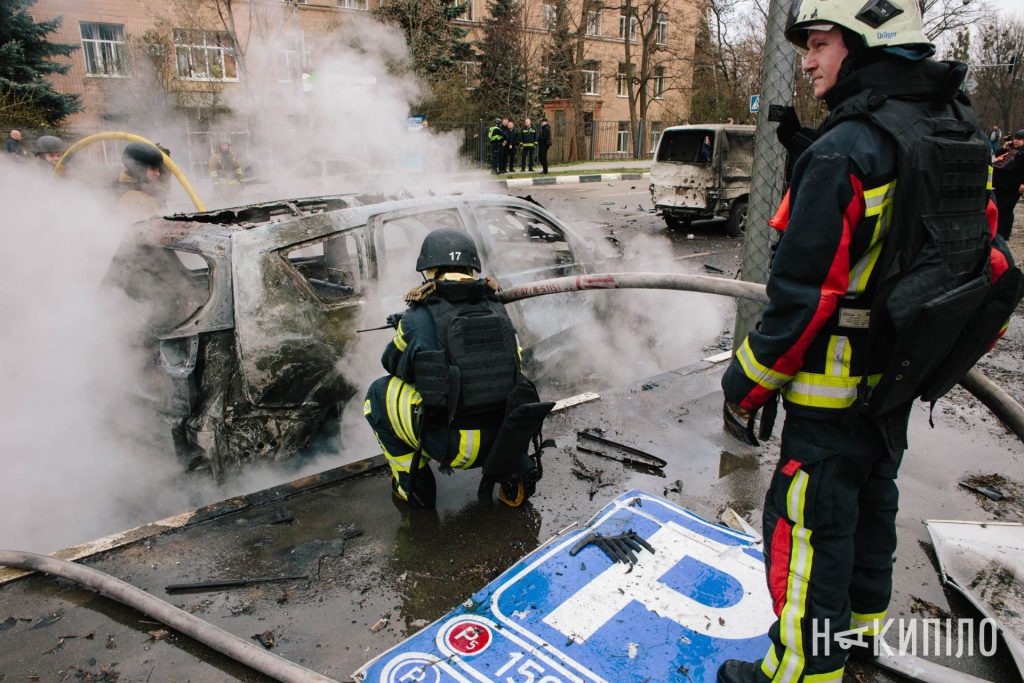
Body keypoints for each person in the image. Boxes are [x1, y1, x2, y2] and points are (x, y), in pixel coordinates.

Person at [717, 1, 1017, 682]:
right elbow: (978, 248)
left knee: (811, 529)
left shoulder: (846, 149)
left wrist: (744, 384)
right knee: (869, 514)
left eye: (819, 44)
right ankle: (854, 651)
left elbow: (802, 299)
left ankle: (798, 673)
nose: (808, 61)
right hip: (896, 385)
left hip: (830, 399)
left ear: (865, 41)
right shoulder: (958, 129)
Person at [363, 228, 552, 509]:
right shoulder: (498, 308)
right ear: (471, 267)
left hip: (453, 448)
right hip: (506, 438)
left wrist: (407, 329)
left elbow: (391, 364)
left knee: (377, 394)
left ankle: (412, 485)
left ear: (430, 269)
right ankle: (515, 470)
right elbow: (515, 366)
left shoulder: (417, 316)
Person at [116, 142, 170, 219]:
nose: (158, 173)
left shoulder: (146, 188)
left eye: (159, 170)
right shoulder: (131, 198)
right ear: (139, 170)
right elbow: (141, 229)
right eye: (153, 169)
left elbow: (164, 186)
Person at [992, 129, 1024, 240]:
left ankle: (1004, 234)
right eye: (1015, 138)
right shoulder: (1010, 149)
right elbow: (996, 156)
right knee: (999, 208)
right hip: (1001, 184)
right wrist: (1003, 148)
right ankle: (997, 232)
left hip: (1014, 186)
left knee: (1006, 209)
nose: (1016, 141)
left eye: (1019, 139)